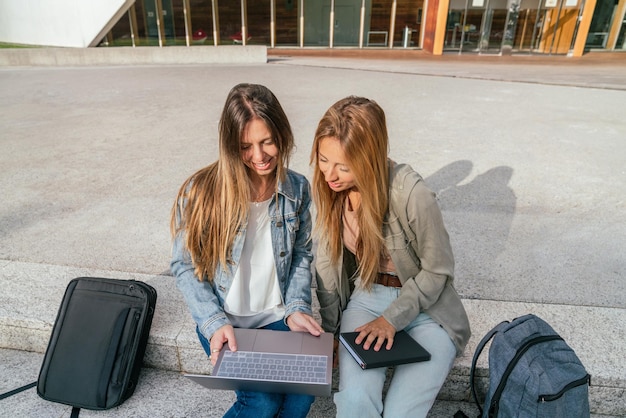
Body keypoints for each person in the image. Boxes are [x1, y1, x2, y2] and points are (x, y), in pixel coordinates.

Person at [311, 96, 471, 417]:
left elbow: (438, 270)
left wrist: (391, 320)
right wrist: (330, 331)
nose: (330, 174)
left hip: (428, 309)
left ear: (369, 157)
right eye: (324, 159)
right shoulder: (330, 189)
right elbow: (327, 267)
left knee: (402, 412)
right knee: (355, 403)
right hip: (367, 298)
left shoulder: (412, 193)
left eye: (344, 165)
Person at [170, 83, 323, 418]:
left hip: (276, 316)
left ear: (282, 132)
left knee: (301, 397)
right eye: (245, 146)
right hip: (226, 321)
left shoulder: (297, 188)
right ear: (230, 146)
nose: (259, 155)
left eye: (267, 141)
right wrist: (213, 323)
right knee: (261, 402)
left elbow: (300, 255)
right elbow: (184, 264)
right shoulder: (202, 191)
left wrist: (298, 307)